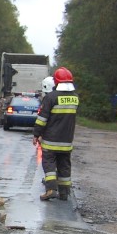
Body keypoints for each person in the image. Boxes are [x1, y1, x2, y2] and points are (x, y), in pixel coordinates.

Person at [33, 66, 79, 201]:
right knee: (64, 165)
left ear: (57, 82)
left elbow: (42, 119)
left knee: (49, 164)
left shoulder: (51, 97)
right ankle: (64, 193)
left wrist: (36, 134)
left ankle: (51, 189)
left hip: (51, 141)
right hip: (67, 141)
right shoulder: (75, 98)